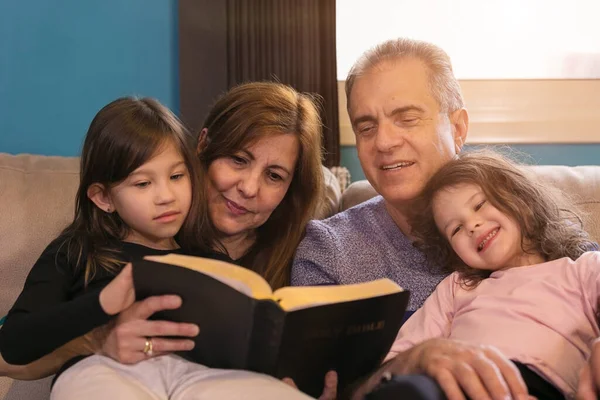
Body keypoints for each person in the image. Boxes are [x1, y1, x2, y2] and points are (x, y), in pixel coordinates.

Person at [1, 84, 336, 399]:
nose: (165, 197)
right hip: (106, 369)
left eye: (176, 177)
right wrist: (100, 319)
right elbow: (13, 342)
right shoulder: (80, 249)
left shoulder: (215, 261)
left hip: (198, 377)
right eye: (143, 183)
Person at [292, 38, 534, 400]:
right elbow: (318, 382)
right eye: (366, 126)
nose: (385, 142)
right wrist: (410, 362)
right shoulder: (328, 251)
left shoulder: (517, 211)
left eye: (406, 118)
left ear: (458, 129)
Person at [386, 149, 597, 399]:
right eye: (455, 230)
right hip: (454, 383)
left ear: (521, 198)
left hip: (536, 383)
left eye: (479, 204)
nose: (472, 226)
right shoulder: (457, 287)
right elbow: (400, 356)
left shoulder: (581, 270)